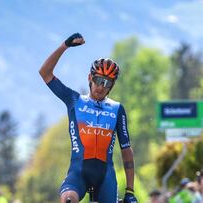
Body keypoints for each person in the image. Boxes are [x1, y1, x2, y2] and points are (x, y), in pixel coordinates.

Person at [39, 33, 137, 203]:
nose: (101, 86)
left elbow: (126, 151)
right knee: (69, 199)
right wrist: (65, 45)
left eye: (107, 83)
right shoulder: (74, 100)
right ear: (90, 78)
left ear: (111, 86)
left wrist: (130, 191)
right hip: (78, 173)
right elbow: (45, 73)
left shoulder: (117, 109)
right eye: (98, 80)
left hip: (106, 175)